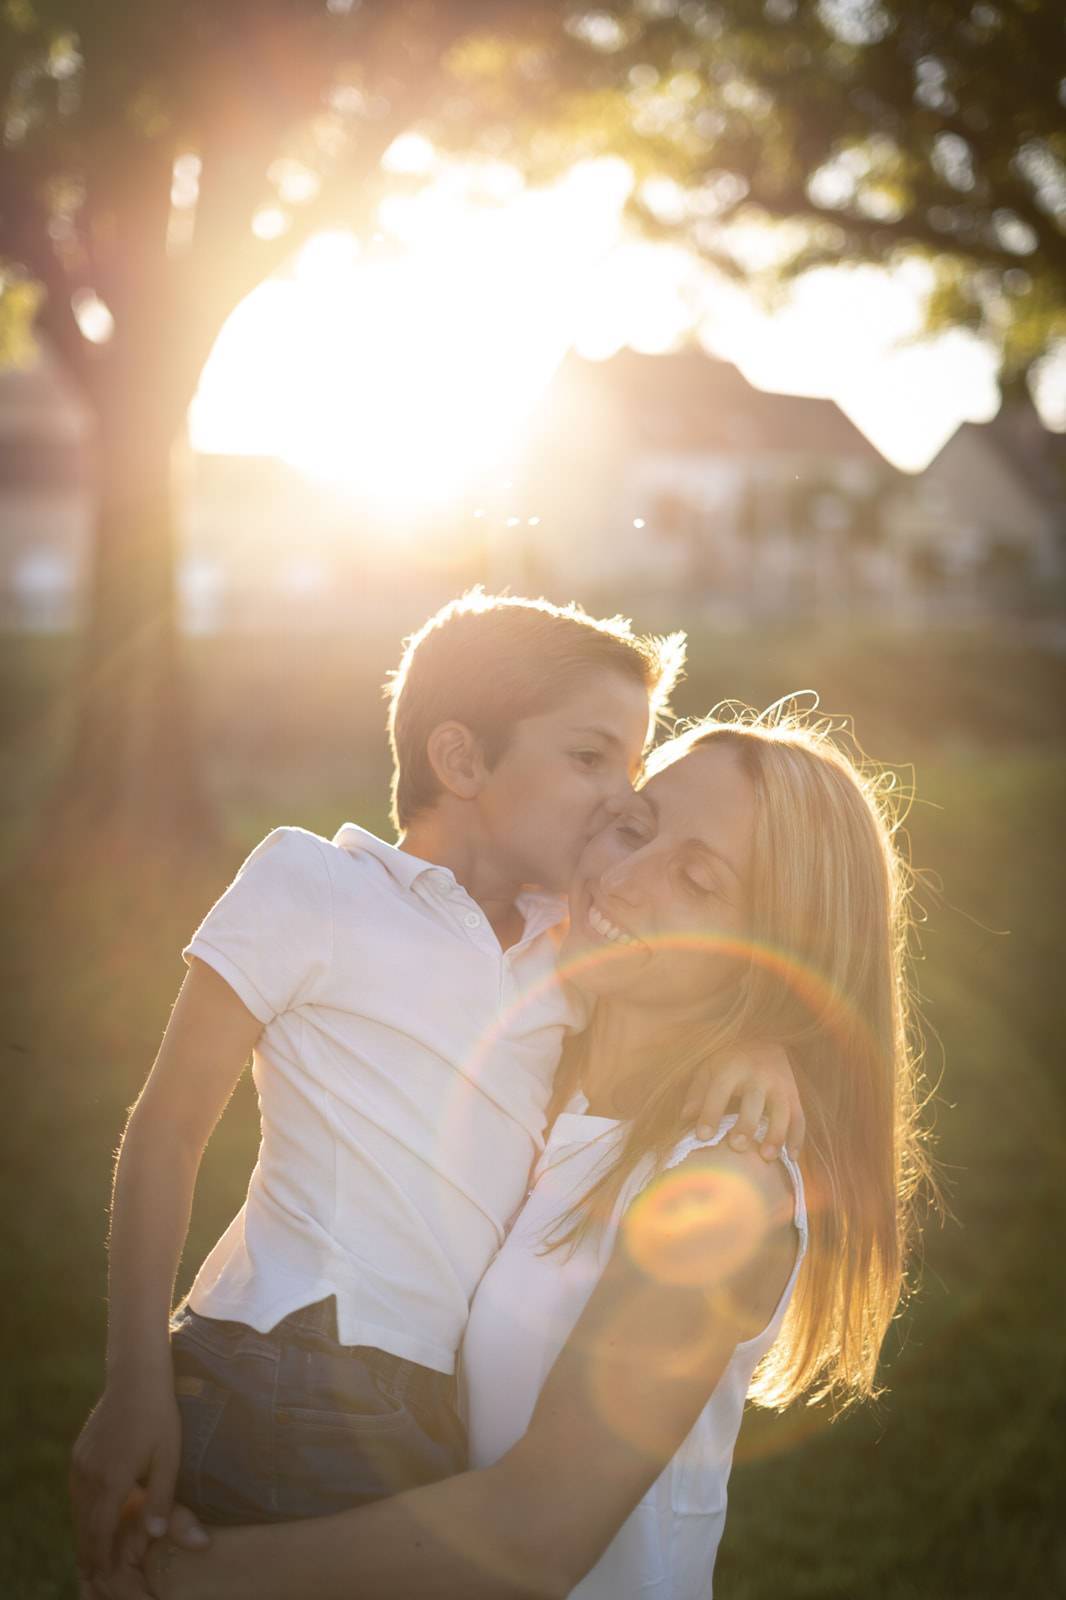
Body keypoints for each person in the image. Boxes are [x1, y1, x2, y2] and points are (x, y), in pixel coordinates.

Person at [109, 704, 933, 1600]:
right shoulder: (544, 1078)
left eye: (696, 880)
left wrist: (185, 1577)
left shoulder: (722, 1183)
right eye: (635, 827)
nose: (624, 879)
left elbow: (540, 1531)